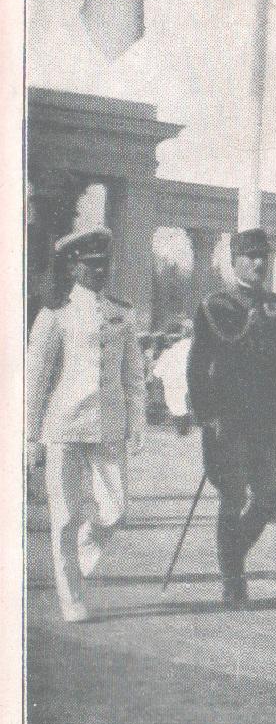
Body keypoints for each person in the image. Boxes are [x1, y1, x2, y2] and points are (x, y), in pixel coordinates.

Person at [24, 227, 146, 623]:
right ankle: (71, 595)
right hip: (63, 426)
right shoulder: (54, 315)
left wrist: (137, 421)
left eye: (103, 265)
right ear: (73, 267)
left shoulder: (122, 313)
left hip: (108, 426)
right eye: (91, 265)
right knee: (64, 516)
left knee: (116, 510)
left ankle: (83, 551)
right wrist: (30, 438)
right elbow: (36, 381)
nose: (99, 272)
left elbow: (133, 376)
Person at [187, 228, 276, 608]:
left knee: (272, 493)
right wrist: (207, 413)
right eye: (250, 256)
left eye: (263, 257)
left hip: (270, 419)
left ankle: (233, 553)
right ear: (233, 259)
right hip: (230, 419)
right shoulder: (215, 305)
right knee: (233, 496)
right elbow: (198, 365)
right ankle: (233, 578)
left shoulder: (274, 305)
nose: (258, 263)